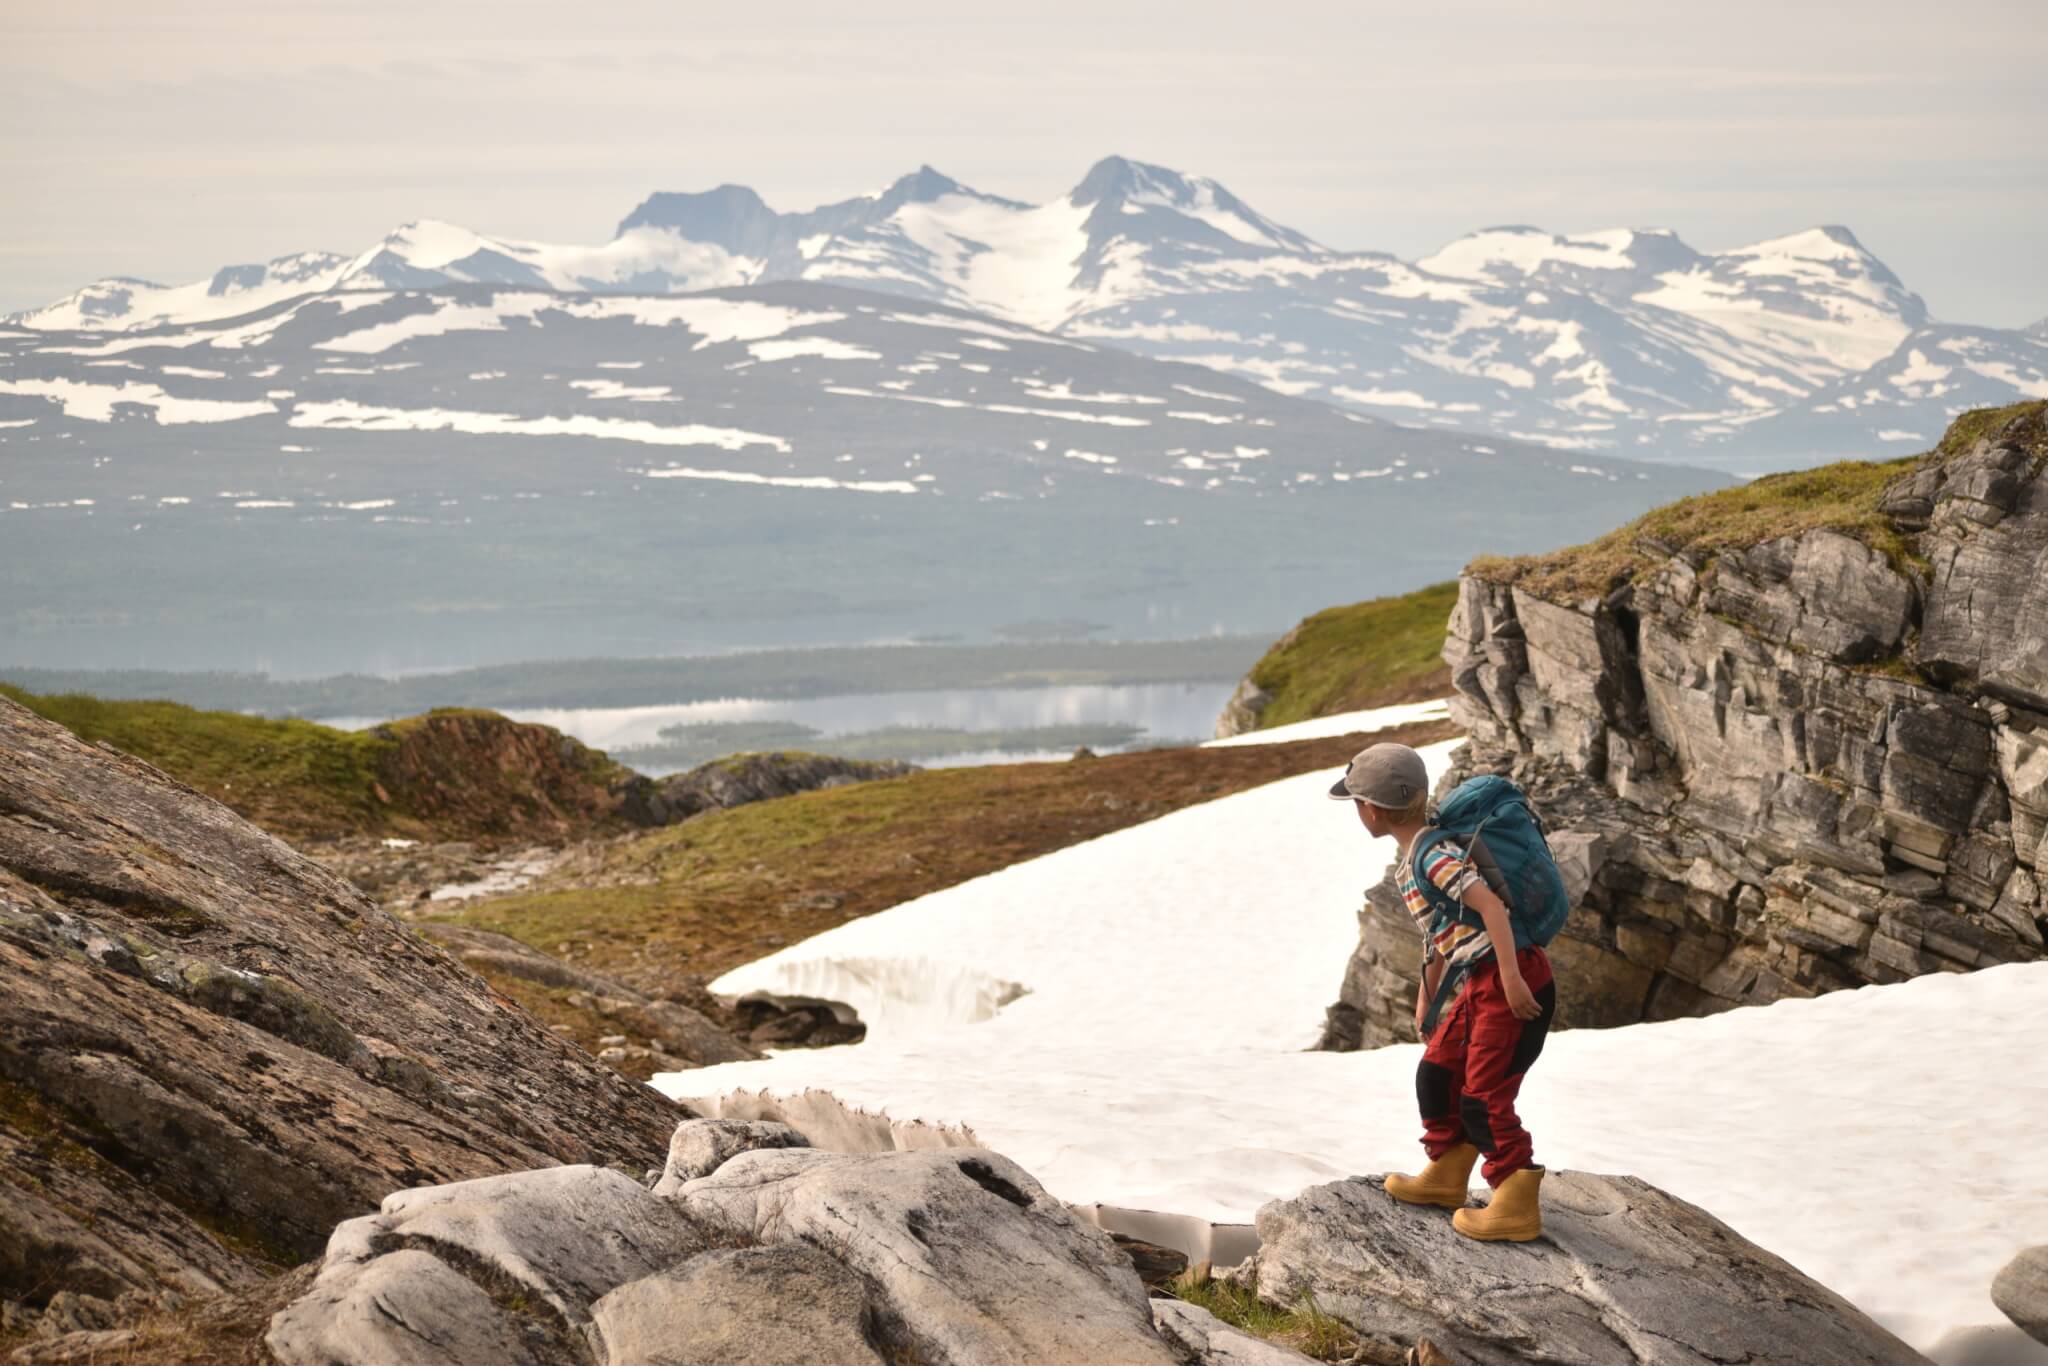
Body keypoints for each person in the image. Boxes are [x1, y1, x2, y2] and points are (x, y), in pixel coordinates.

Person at [1329, 742, 1557, 1241]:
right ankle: (1447, 1174)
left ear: (1371, 809)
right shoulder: (1416, 857)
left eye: (1356, 803)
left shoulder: (1434, 858)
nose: (1357, 812)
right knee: (1436, 1074)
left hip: (1510, 976)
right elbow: (1441, 931)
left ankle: (1516, 1202)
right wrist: (1427, 994)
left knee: (1483, 1096)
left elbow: (1493, 910)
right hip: (1482, 978)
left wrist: (1513, 980)